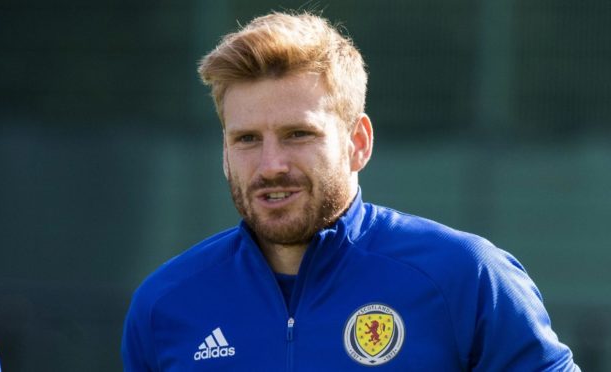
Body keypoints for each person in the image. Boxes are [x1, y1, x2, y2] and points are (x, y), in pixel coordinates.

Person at [122, 11, 580, 371]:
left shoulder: (467, 278)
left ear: (358, 142)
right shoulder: (164, 305)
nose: (270, 165)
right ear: (224, 152)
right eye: (246, 140)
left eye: (298, 134)